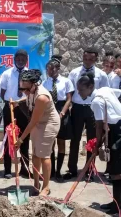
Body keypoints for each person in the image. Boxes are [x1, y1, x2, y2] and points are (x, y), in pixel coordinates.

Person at [75, 72, 121, 215]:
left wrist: (96, 147)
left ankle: (117, 207)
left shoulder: (96, 102)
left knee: (116, 173)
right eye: (78, 90)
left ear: (90, 87)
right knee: (116, 171)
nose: (79, 93)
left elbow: (99, 127)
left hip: (117, 133)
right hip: (116, 128)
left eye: (82, 90)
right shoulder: (105, 90)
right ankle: (116, 202)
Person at [65, 48, 109, 181]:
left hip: (93, 108)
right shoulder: (74, 72)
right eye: (86, 59)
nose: (88, 62)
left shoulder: (101, 75)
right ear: (82, 57)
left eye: (91, 59)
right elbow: (70, 91)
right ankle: (72, 169)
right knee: (75, 139)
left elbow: (105, 92)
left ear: (96, 59)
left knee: (92, 140)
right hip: (77, 108)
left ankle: (89, 170)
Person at [14, 69, 60, 196]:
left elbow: (33, 122)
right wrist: (17, 102)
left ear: (35, 84)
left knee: (44, 155)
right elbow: (28, 98)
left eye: (27, 89)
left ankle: (46, 187)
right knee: (35, 154)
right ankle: (36, 183)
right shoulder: (30, 91)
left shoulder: (42, 97)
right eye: (22, 89)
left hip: (48, 124)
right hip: (38, 123)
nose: (25, 92)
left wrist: (21, 139)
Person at [0, 49, 31, 179]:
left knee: (24, 137)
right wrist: (9, 103)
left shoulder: (30, 74)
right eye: (18, 59)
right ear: (14, 60)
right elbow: (2, 92)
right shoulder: (7, 74)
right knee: (9, 138)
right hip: (10, 107)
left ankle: (25, 168)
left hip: (24, 107)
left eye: (23, 59)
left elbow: (32, 92)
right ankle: (7, 169)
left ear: (26, 60)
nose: (20, 61)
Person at [42, 55, 74, 182]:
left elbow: (69, 99)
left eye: (53, 69)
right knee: (51, 142)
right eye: (49, 70)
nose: (51, 72)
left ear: (58, 68)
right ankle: (51, 171)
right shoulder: (45, 83)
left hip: (62, 110)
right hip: (50, 110)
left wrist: (62, 113)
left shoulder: (66, 81)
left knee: (61, 142)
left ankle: (59, 171)